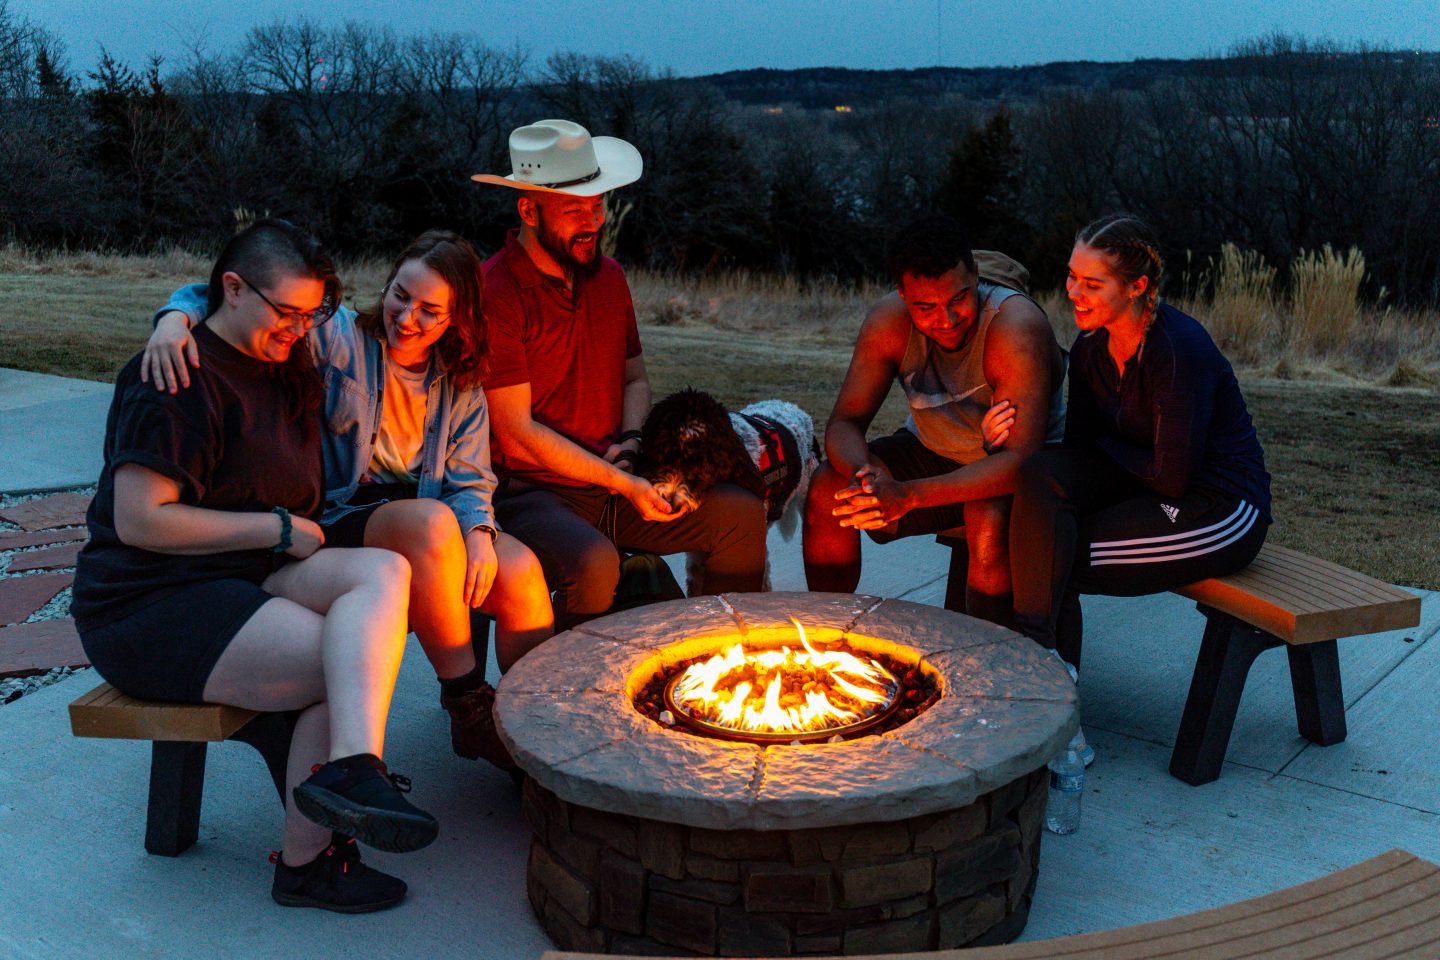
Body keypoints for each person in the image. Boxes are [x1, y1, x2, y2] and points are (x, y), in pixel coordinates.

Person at [71, 219, 437, 913]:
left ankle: (355, 770)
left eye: (312, 314)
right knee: (343, 660)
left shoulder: (283, 359)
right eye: (287, 313)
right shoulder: (175, 376)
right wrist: (272, 527)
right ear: (233, 290)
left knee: (385, 576)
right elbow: (140, 520)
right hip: (147, 604)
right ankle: (308, 863)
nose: (300, 329)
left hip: (241, 575)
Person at [143, 230, 554, 772]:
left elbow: (470, 480)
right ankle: (468, 703)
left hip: (425, 517)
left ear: (457, 319)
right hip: (338, 514)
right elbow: (240, 297)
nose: (407, 318)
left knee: (520, 572)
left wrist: (479, 532)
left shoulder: (460, 386)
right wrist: (174, 318)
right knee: (430, 525)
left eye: (430, 310)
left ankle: (534, 734)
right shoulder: (339, 338)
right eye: (400, 295)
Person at [472, 119, 766, 629]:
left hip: (618, 476)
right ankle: (559, 696)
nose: (593, 220)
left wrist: (631, 444)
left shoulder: (607, 277)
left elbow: (634, 378)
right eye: (575, 209)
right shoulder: (495, 291)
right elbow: (516, 435)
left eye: (598, 204)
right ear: (528, 209)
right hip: (532, 491)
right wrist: (622, 481)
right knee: (593, 564)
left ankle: (717, 657)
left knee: (740, 517)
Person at [1003, 212, 1271, 662]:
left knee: (1053, 559)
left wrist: (1103, 449)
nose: (1073, 292)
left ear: (1137, 287)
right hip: (1146, 482)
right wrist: (1003, 442)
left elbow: (1171, 478)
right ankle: (1039, 663)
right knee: (1039, 490)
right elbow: (1075, 456)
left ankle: (1046, 688)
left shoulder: (1176, 350)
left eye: (1092, 284)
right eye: (1072, 277)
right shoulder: (1090, 349)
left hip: (1215, 507)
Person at [802, 216, 1066, 627]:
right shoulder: (889, 321)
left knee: (989, 518)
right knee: (827, 488)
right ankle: (825, 635)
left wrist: (906, 495)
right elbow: (844, 423)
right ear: (903, 295)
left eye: (959, 298)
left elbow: (1020, 461)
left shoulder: (1014, 327)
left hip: (1013, 469)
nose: (946, 318)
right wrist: (865, 474)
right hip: (935, 450)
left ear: (976, 276)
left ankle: (991, 658)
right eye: (926, 307)